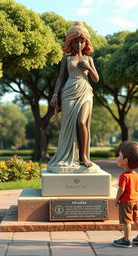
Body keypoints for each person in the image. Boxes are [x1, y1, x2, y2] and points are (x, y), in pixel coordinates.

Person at [49, 21, 99, 173]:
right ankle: (68, 156)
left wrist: (88, 68)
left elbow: (96, 79)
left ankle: (83, 156)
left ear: (86, 42)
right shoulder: (66, 59)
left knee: (81, 122)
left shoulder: (89, 59)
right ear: (70, 42)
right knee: (68, 126)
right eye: (76, 41)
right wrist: (55, 95)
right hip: (69, 92)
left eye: (82, 41)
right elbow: (60, 78)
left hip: (85, 91)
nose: (79, 44)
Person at [112, 140, 138, 248]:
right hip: (135, 200)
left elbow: (121, 189)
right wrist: (136, 197)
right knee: (137, 218)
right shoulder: (136, 175)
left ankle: (126, 240)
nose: (117, 157)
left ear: (125, 161)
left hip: (126, 201)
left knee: (127, 221)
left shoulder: (124, 176)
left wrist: (116, 200)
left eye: (119, 155)